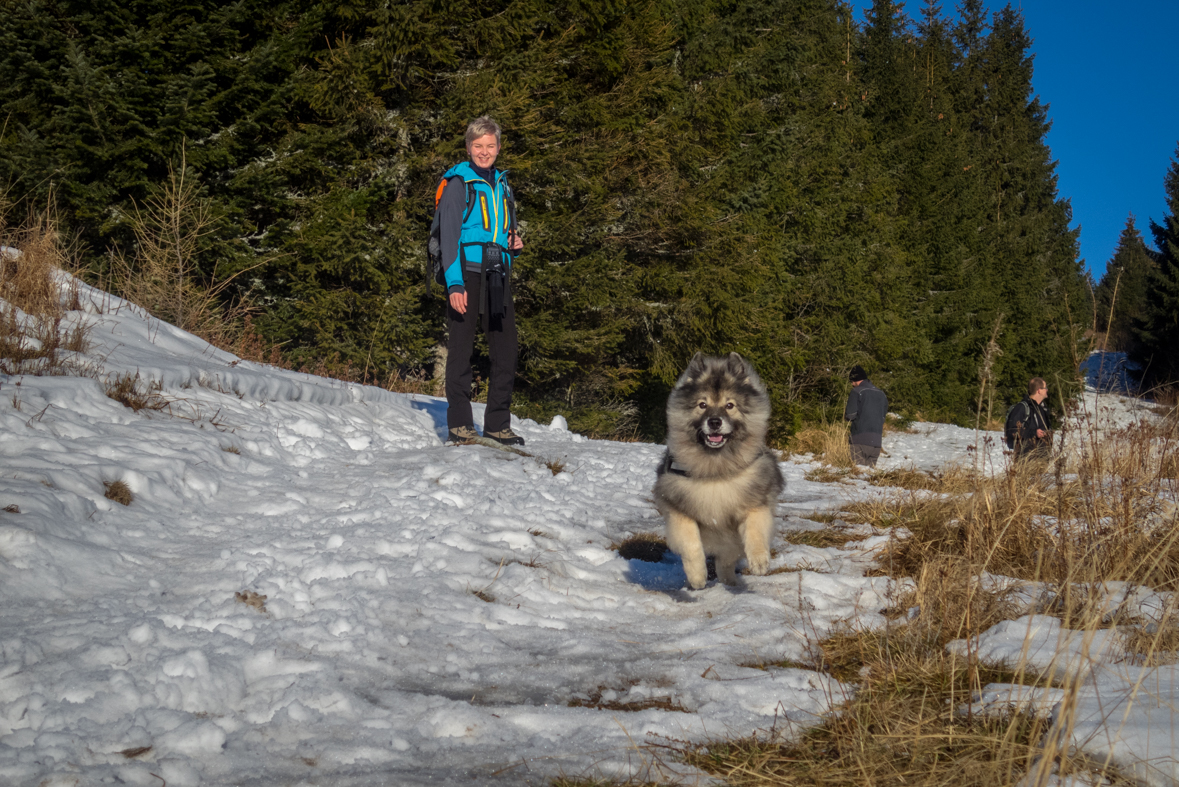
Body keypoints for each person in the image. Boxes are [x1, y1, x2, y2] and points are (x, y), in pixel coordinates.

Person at [437, 116, 525, 446]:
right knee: (461, 349)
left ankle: (497, 424)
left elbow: (500, 232)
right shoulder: (459, 184)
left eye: (490, 146)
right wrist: (455, 284)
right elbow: (449, 237)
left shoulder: (503, 186)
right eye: (478, 146)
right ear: (468, 148)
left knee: (506, 350)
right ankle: (460, 424)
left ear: (499, 147)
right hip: (466, 273)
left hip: (497, 274)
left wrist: (513, 244)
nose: (484, 152)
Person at [844, 365, 888, 467]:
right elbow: (882, 418)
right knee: (868, 479)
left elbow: (850, 415)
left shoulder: (857, 391)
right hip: (877, 443)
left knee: (858, 476)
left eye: (851, 381)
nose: (851, 384)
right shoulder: (882, 394)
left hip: (859, 441)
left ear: (854, 380)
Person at [1004, 377, 1052, 462]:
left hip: (1042, 460)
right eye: (1045, 388)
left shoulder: (1042, 409)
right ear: (1039, 390)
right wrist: (1034, 433)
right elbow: (1013, 431)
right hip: (1025, 461)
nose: (1047, 390)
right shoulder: (1022, 408)